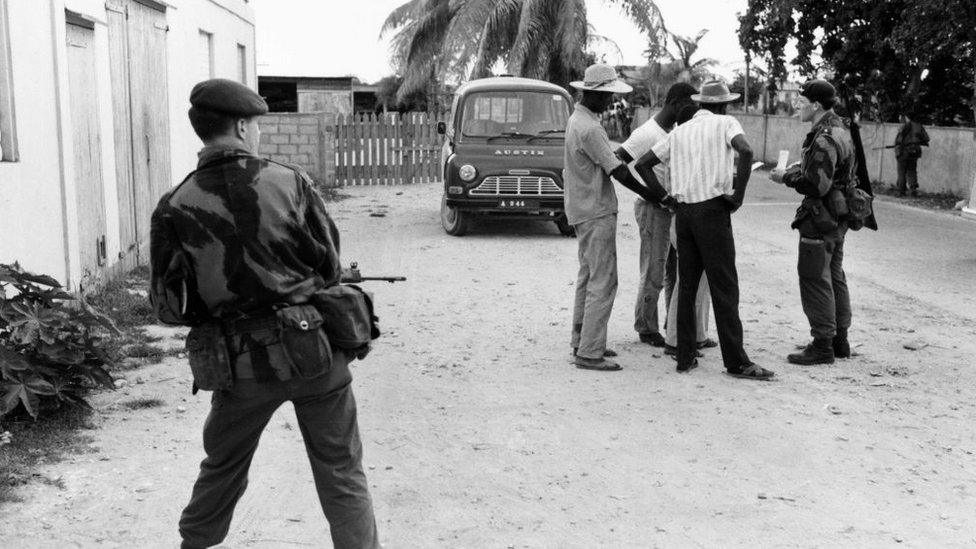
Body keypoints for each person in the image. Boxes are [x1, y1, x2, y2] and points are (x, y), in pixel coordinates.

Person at [149, 78, 380, 549]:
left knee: (221, 469)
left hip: (239, 366)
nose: (257, 133)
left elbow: (169, 307)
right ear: (239, 126)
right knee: (341, 471)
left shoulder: (174, 205)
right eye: (255, 124)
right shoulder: (289, 181)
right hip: (314, 354)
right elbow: (330, 265)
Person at [635, 80, 773, 380]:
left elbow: (643, 164)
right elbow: (746, 151)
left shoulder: (680, 131)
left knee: (686, 286)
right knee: (724, 287)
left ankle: (684, 357)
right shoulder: (726, 123)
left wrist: (666, 197)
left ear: (700, 104)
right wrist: (737, 195)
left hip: (684, 214)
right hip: (713, 212)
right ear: (724, 105)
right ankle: (736, 361)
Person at [564, 63, 670, 372]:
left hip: (582, 207)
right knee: (603, 280)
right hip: (595, 209)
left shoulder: (578, 120)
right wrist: (652, 193)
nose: (611, 100)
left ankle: (583, 340)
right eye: (608, 95)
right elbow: (618, 170)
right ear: (593, 94)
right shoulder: (591, 128)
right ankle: (589, 352)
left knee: (589, 276)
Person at [770, 79, 856, 365]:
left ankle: (822, 345)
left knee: (814, 278)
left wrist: (786, 177)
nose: (796, 105)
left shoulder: (823, 137)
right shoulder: (842, 129)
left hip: (820, 216)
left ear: (816, 105)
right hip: (838, 216)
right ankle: (839, 340)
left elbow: (816, 185)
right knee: (834, 275)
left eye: (801, 100)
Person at [615, 82, 697, 348]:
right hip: (653, 209)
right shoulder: (646, 133)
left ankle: (671, 324)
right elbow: (617, 161)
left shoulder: (672, 131)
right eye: (689, 105)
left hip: (669, 209)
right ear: (674, 103)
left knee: (672, 270)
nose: (694, 110)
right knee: (654, 269)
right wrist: (650, 192)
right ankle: (646, 326)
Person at [894, 111, 930, 197]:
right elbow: (926, 139)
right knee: (912, 171)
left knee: (902, 171)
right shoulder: (919, 126)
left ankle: (901, 191)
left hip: (903, 151)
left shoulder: (904, 126)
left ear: (907, 117)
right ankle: (913, 190)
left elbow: (898, 140)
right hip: (914, 151)